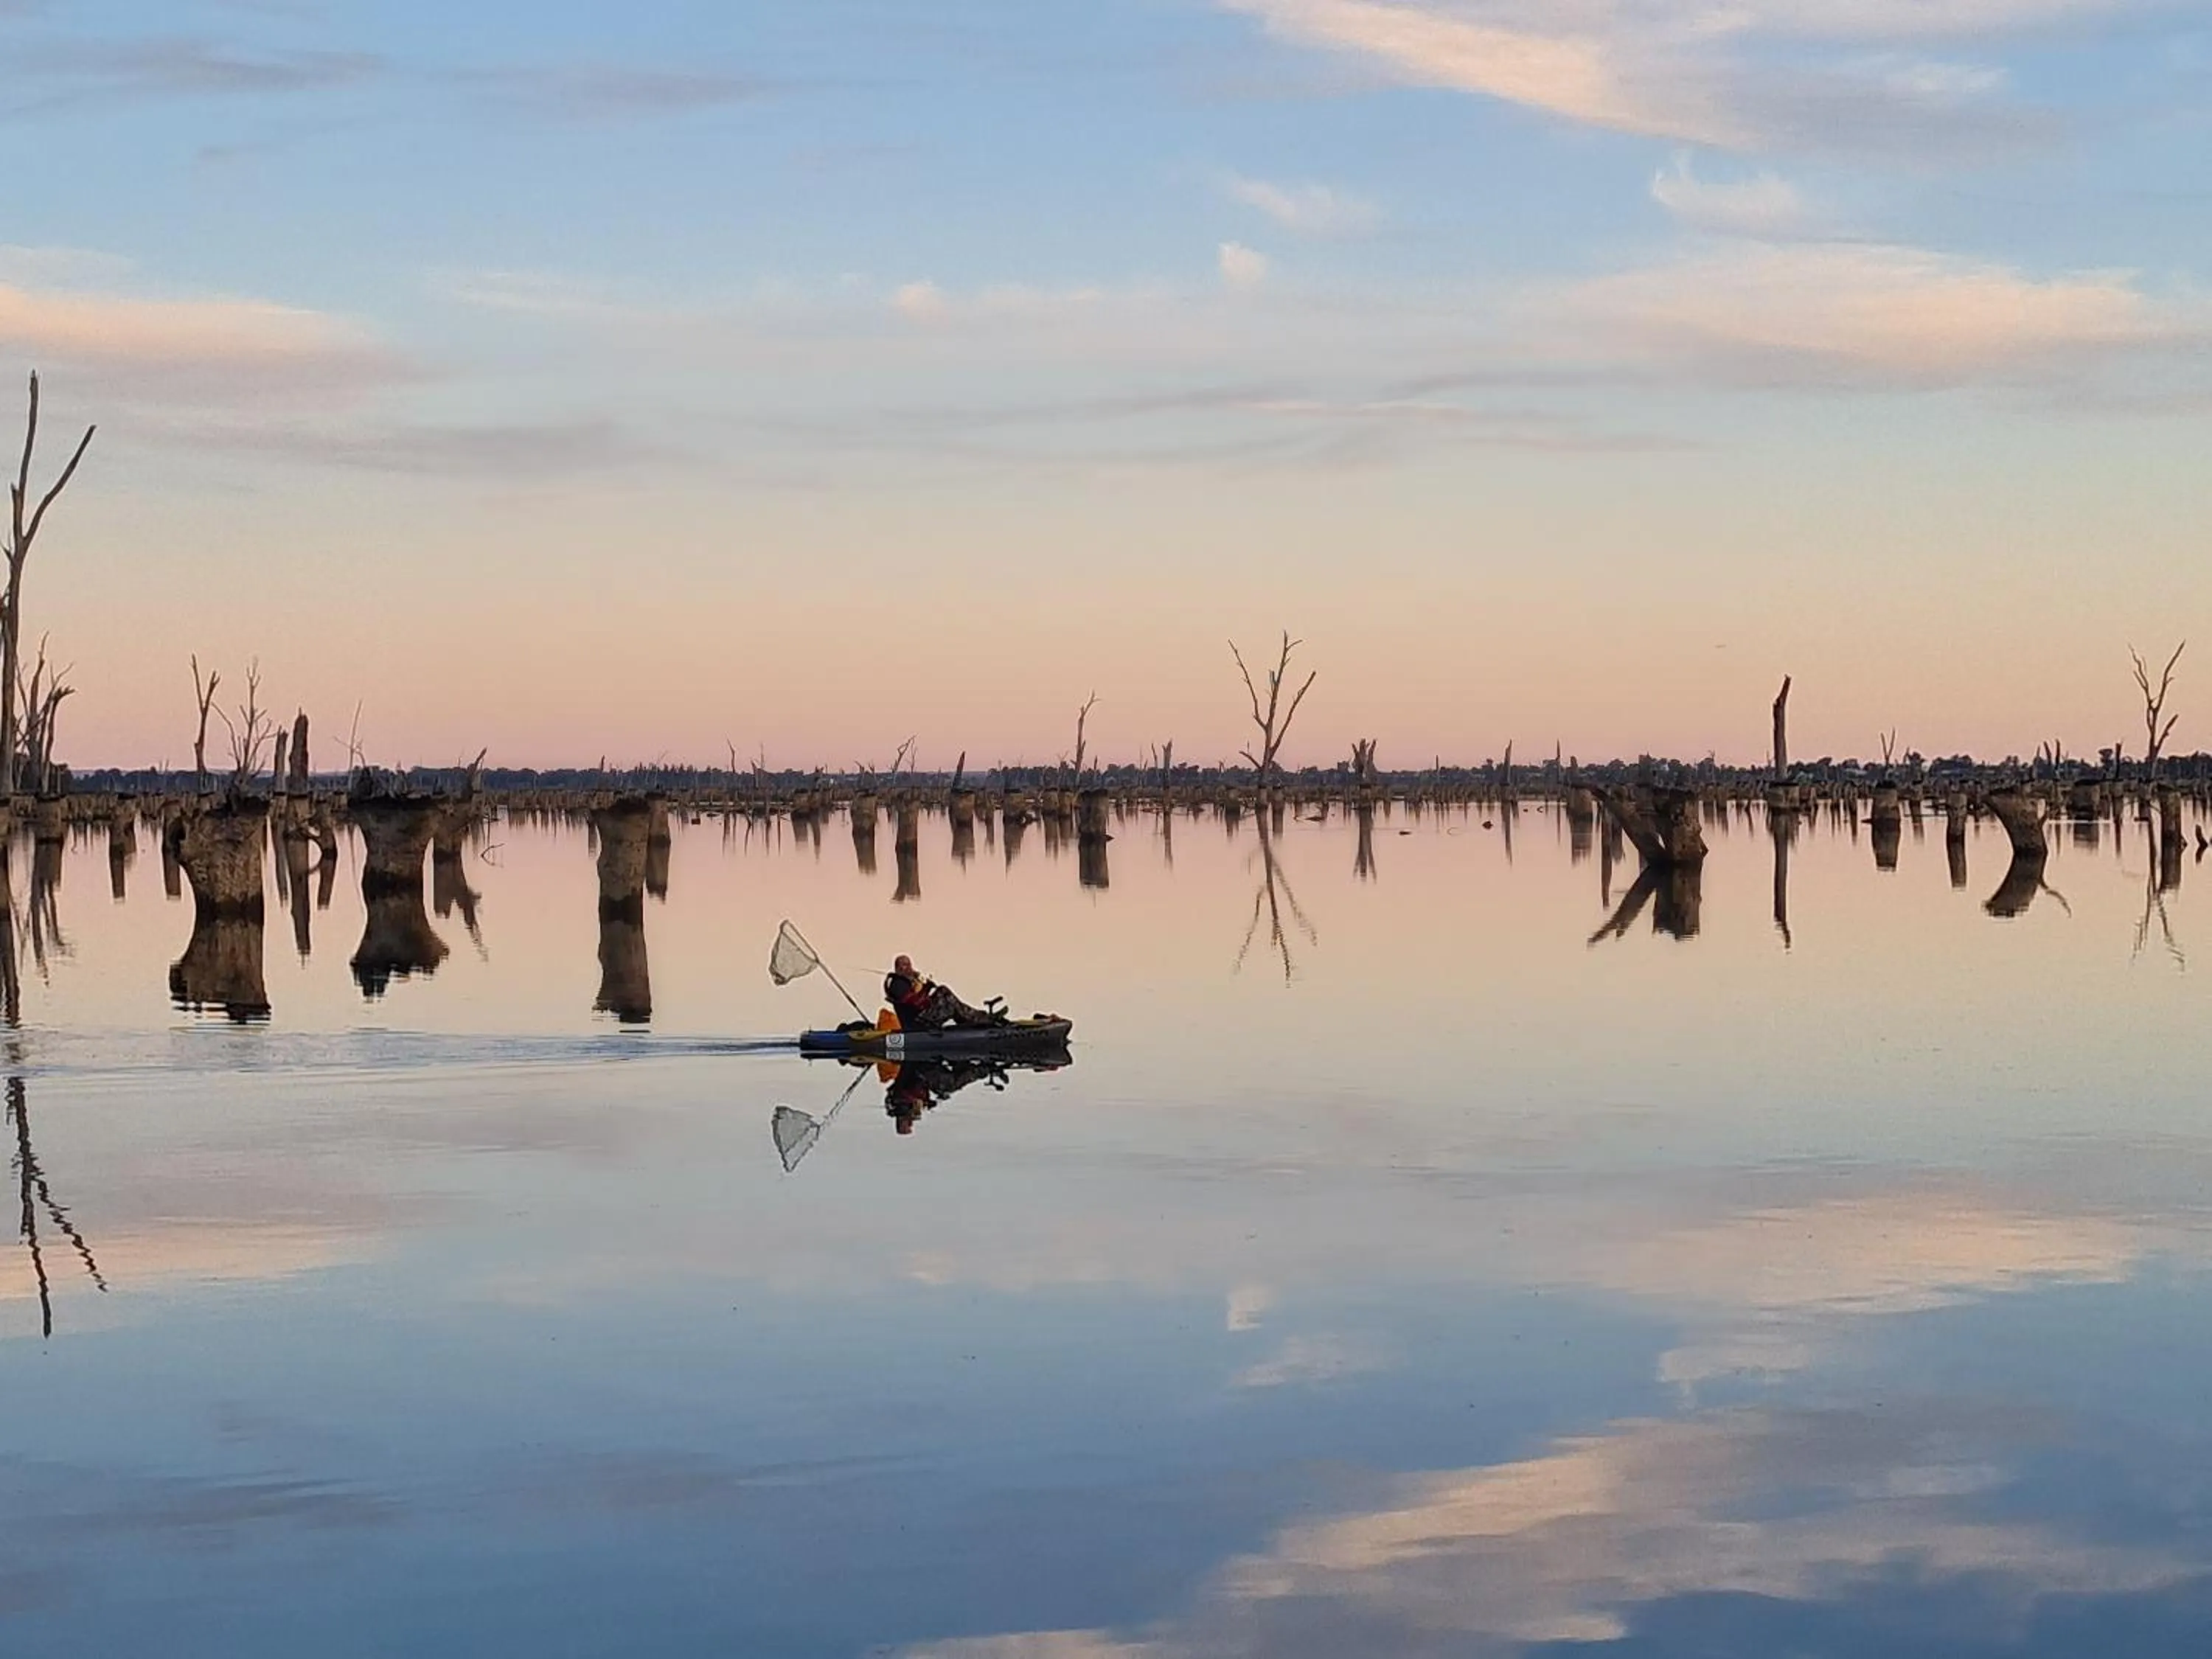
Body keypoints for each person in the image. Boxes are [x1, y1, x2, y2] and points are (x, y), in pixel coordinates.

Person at [883, 954, 1000, 1030]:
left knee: (946, 996)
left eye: (909, 965)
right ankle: (979, 1019)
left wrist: (925, 985)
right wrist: (925, 988)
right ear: (897, 968)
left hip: (922, 1018)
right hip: (918, 1024)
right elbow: (915, 1003)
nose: (909, 968)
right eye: (904, 965)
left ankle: (979, 1018)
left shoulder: (907, 982)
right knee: (944, 993)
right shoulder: (897, 984)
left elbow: (923, 999)